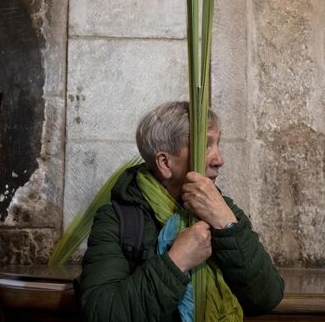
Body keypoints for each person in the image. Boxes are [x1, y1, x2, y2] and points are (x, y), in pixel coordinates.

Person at [77, 101, 284, 322]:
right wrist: (177, 261)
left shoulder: (222, 209)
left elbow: (267, 296)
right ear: (165, 162)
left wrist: (226, 224)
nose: (219, 160)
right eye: (206, 145)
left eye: (218, 144)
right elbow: (103, 313)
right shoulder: (117, 221)